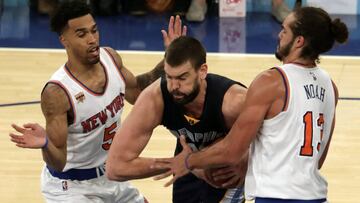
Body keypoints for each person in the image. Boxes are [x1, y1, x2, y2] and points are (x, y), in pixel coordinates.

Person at [152, 7, 349, 202]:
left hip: (276, 197)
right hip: (317, 196)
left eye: (285, 30)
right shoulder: (331, 87)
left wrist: (188, 161)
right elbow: (319, 159)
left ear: (299, 41)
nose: (279, 35)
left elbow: (231, 151)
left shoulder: (271, 81)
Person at [8, 0, 186, 202]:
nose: (92, 39)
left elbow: (137, 92)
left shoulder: (110, 58)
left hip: (110, 176)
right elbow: (58, 161)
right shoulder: (57, 93)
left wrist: (170, 57)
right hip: (72, 187)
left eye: (94, 31)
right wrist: (45, 144)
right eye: (82, 34)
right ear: (64, 40)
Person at [106, 36, 248, 203]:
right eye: (169, 77)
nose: (173, 86)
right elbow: (115, 167)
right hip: (187, 167)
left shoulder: (234, 101)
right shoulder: (155, 98)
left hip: (227, 171)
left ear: (202, 71)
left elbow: (275, 137)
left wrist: (246, 159)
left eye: (182, 78)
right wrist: (176, 163)